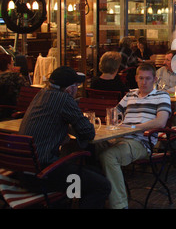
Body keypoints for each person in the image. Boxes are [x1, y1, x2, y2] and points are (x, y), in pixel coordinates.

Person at [18, 66, 111, 209]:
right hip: (44, 175)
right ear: (68, 88)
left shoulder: (42, 94)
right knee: (102, 185)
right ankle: (69, 199)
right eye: (76, 85)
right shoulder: (63, 99)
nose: (77, 88)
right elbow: (88, 132)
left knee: (92, 173)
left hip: (24, 172)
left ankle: (68, 201)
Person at [98, 63, 171, 209]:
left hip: (142, 142)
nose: (144, 82)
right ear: (136, 78)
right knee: (91, 146)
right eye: (141, 78)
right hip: (120, 137)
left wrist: (132, 128)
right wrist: (114, 122)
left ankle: (120, 205)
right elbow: (114, 113)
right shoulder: (130, 94)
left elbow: (161, 122)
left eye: (148, 79)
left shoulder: (161, 96)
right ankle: (99, 195)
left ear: (155, 79)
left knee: (109, 156)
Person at [0, 54, 30, 119]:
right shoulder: (16, 77)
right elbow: (27, 91)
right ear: (8, 65)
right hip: (14, 112)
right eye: (12, 63)